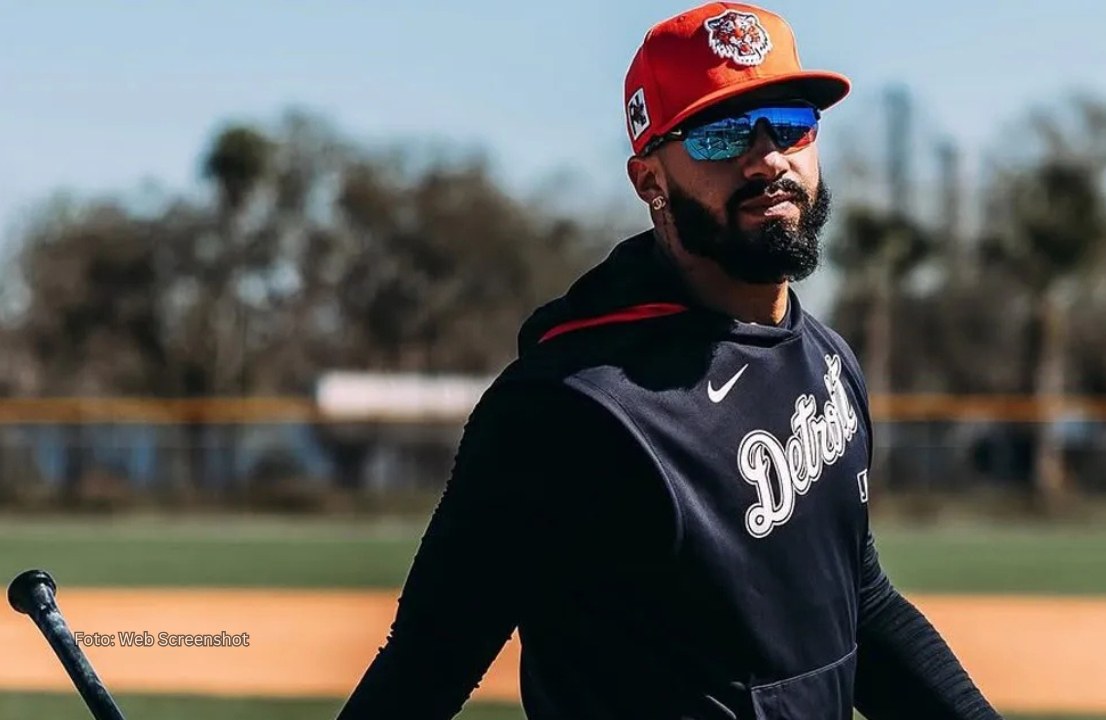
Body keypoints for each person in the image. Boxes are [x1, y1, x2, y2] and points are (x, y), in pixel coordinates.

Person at [336, 3, 1004, 718]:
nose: (769, 157)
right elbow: (426, 665)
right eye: (721, 134)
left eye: (790, 121)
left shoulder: (825, 359)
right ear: (649, 180)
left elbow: (858, 603)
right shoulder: (568, 409)